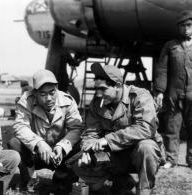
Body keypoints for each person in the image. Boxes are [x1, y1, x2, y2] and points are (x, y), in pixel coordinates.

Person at [73, 63, 165, 195]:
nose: (98, 94)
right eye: (96, 89)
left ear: (117, 86)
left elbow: (146, 128)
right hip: (114, 155)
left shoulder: (140, 96)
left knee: (147, 147)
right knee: (77, 162)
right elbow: (91, 132)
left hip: (138, 155)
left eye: (103, 89)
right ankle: (121, 180)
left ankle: (143, 190)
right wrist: (86, 149)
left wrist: (107, 140)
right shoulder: (97, 103)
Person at [8, 69, 84, 192]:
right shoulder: (26, 100)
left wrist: (62, 146)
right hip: (36, 152)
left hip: (60, 154)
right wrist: (39, 143)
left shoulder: (68, 101)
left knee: (81, 144)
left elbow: (76, 128)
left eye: (52, 92)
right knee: (14, 143)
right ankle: (28, 178)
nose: (48, 98)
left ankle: (63, 174)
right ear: (35, 92)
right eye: (43, 94)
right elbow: (20, 126)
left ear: (57, 88)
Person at [154, 10, 192, 169]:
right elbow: (162, 69)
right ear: (178, 27)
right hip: (173, 94)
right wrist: (160, 91)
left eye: (189, 25)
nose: (186, 28)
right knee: (171, 127)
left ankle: (191, 160)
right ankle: (171, 159)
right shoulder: (171, 46)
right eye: (182, 25)